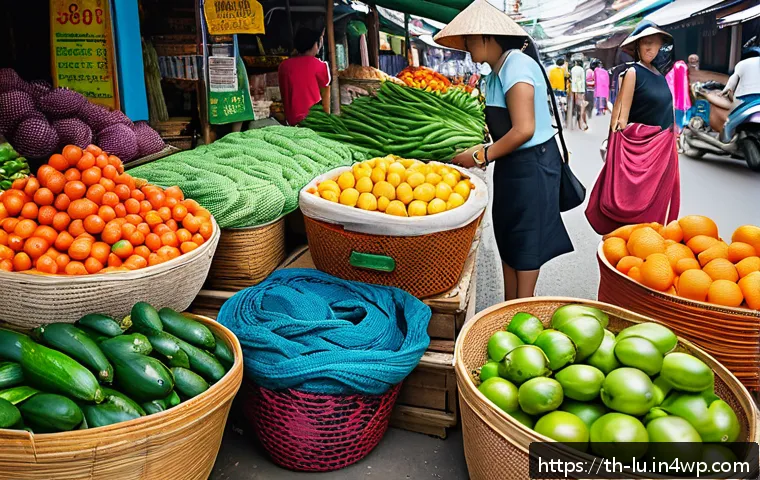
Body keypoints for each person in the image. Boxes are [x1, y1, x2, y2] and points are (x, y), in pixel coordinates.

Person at [434, 0, 573, 300]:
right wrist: (484, 147)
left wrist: (481, 155)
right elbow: (504, 129)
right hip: (512, 168)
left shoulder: (517, 65)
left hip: (533, 167)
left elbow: (524, 129)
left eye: (471, 40)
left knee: (525, 244)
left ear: (488, 38)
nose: (469, 48)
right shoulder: (496, 73)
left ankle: (523, 310)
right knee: (509, 237)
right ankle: (508, 307)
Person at [586, 21, 680, 234]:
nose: (649, 48)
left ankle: (647, 245)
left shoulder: (660, 76)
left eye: (654, 44)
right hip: (640, 149)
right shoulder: (633, 73)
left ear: (660, 48)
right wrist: (614, 147)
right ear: (637, 47)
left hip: (663, 151)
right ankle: (630, 245)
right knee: (633, 205)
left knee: (655, 206)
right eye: (645, 43)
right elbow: (621, 116)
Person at [278, 26, 331, 126]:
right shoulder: (319, 65)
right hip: (313, 118)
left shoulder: (283, 66)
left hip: (291, 119)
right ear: (315, 44)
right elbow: (325, 88)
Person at [571, 60, 588, 130]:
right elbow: (583, 80)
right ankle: (582, 123)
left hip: (574, 90)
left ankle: (576, 123)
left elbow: (573, 80)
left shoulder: (573, 69)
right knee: (582, 107)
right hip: (581, 90)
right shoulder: (582, 70)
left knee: (575, 107)